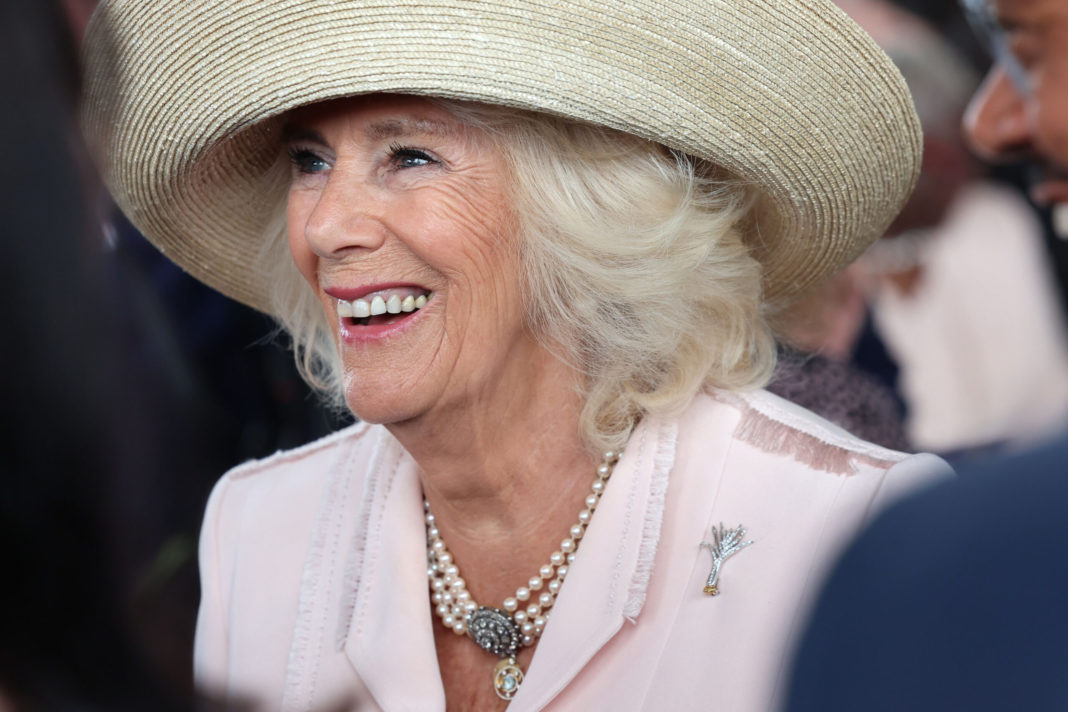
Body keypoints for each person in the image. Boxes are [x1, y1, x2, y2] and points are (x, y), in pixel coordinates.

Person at [81, 1, 952, 709]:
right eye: (310, 161)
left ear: (584, 211)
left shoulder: (854, 531)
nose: (325, 226)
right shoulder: (258, 527)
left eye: (409, 156)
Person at [783, 0, 1068, 709]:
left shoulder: (996, 231)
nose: (985, 127)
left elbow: (1036, 397)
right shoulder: (804, 271)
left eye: (1026, 57)